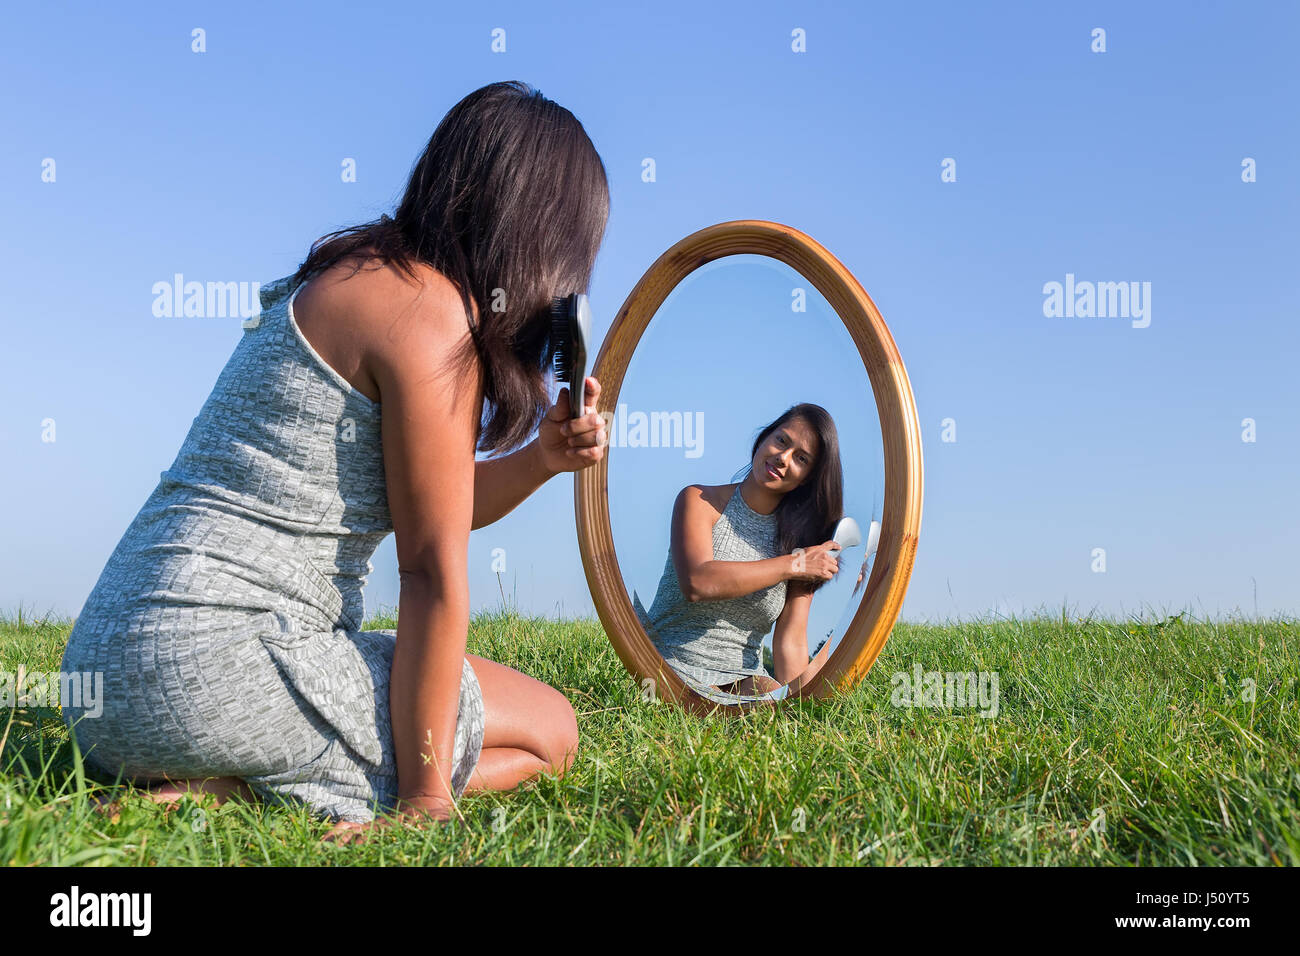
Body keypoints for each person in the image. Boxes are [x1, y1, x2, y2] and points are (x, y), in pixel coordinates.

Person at [58, 80, 610, 844]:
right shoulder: (431, 314)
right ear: (542, 235)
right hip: (221, 663)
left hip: (106, 670)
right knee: (552, 730)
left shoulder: (357, 275)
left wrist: (543, 456)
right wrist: (424, 802)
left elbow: (433, 502)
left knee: (491, 727)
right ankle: (250, 788)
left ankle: (223, 786)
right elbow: (431, 570)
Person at [633, 403, 845, 696]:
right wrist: (793, 565)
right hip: (666, 665)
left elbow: (790, 642)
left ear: (807, 478)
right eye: (781, 440)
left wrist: (800, 706)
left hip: (744, 677)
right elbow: (698, 581)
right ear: (764, 439)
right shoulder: (699, 501)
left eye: (801, 458)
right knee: (707, 709)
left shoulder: (801, 545)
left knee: (769, 706)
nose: (783, 458)